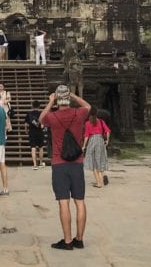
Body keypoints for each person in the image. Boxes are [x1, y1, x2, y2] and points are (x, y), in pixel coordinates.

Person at [40, 84, 91, 250]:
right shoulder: (79, 113)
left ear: (57, 100)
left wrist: (50, 101)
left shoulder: (53, 117)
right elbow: (88, 106)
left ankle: (67, 240)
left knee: (63, 203)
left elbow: (41, 119)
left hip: (59, 164)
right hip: (77, 163)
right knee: (80, 202)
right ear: (68, 99)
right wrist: (74, 95)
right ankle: (79, 239)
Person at [82, 106, 111, 188]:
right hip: (100, 140)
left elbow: (86, 136)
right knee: (100, 159)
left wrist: (84, 146)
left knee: (93, 162)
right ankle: (103, 175)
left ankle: (98, 183)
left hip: (92, 141)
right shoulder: (101, 121)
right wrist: (107, 140)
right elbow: (108, 131)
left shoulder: (87, 123)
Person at [25, 100, 47, 169]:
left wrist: (26, 130)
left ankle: (35, 165)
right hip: (40, 132)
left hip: (32, 132)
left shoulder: (29, 114)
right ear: (39, 106)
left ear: (32, 106)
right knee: (41, 148)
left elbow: (26, 124)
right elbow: (43, 125)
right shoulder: (41, 113)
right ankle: (40, 163)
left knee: (33, 148)